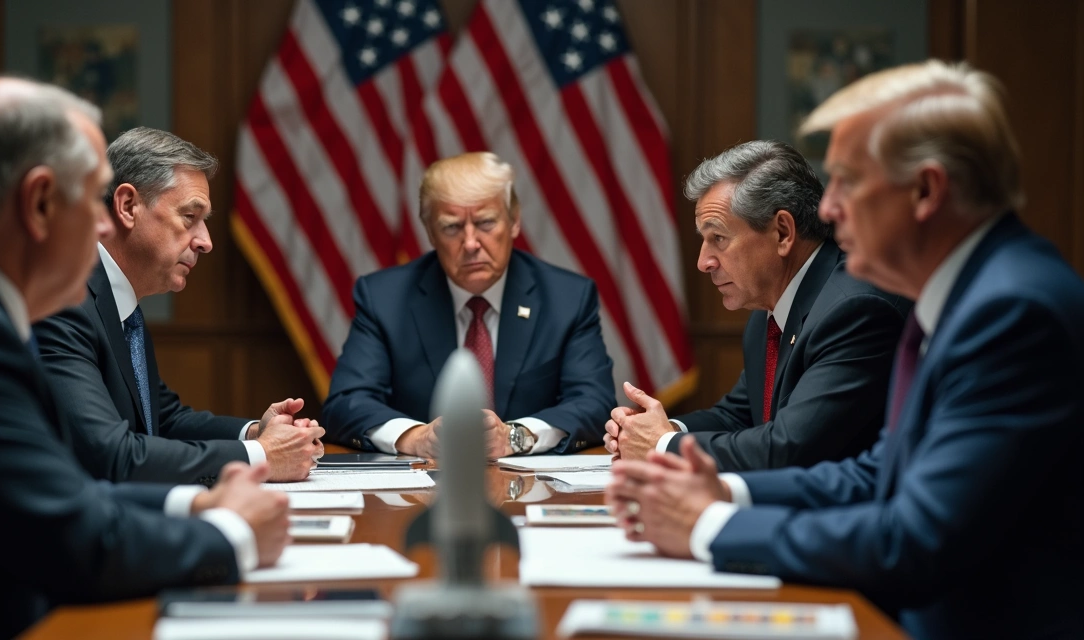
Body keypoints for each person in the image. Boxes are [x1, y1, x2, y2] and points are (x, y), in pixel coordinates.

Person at [607, 60, 1084, 639]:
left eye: (847, 181)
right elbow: (878, 471)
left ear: (926, 190)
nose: (827, 208)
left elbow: (914, 540)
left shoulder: (1010, 311)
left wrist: (709, 526)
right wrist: (727, 489)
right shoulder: (963, 293)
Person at [0, 75, 291, 639]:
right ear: (40, 202)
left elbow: (52, 491)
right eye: (92, 199)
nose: (101, 227)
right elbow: (70, 541)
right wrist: (230, 534)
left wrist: (189, 506)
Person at [33, 127, 324, 484]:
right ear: (127, 206)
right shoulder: (64, 303)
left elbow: (163, 420)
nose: (206, 242)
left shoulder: (121, 305)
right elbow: (108, 454)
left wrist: (255, 433)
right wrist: (261, 456)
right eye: (190, 217)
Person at [604, 141, 909, 471]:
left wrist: (663, 445)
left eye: (718, 238)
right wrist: (654, 429)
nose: (703, 262)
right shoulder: (771, 308)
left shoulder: (855, 309)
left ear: (782, 233)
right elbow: (740, 414)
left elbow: (789, 447)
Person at [321, 152, 616, 458]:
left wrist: (515, 437)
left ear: (514, 221)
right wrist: (415, 437)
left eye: (486, 222)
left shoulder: (566, 298)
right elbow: (347, 402)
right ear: (430, 232)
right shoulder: (384, 298)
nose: (471, 243)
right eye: (451, 227)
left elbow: (594, 402)